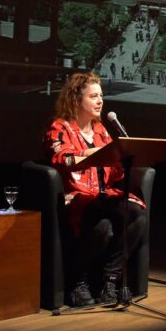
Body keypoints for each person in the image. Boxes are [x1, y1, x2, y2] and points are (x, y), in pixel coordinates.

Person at [43, 72, 147, 308]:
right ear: (76, 99)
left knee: (136, 215)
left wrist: (122, 163)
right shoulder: (60, 127)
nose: (100, 101)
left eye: (101, 96)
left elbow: (113, 175)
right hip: (76, 197)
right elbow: (59, 158)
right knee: (103, 226)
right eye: (93, 96)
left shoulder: (101, 130)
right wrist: (89, 155)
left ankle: (110, 280)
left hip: (103, 196)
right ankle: (77, 282)